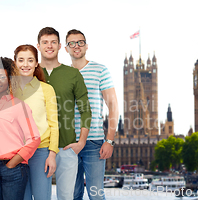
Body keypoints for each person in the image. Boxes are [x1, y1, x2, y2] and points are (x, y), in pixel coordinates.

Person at [36, 27, 92, 200]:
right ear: (38, 46)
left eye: (53, 42)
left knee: (67, 197)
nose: (49, 46)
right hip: (38, 148)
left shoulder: (73, 74)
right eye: (45, 42)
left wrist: (81, 142)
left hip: (67, 146)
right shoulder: (30, 72)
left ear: (60, 46)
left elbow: (85, 110)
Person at [0, 56, 41, 200]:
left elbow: (34, 138)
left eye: (2, 77)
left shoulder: (19, 106)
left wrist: (13, 162)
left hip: (13, 168)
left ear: (10, 79)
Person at [65, 29, 119, 200]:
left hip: (94, 142)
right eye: (71, 43)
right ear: (66, 48)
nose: (76, 46)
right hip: (67, 143)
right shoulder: (61, 73)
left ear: (86, 46)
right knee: (72, 195)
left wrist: (109, 141)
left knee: (96, 195)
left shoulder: (100, 70)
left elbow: (113, 107)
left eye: (80, 42)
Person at [13, 45, 59, 200]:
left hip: (41, 152)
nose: (25, 64)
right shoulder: (9, 90)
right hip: (17, 153)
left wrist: (52, 154)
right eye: (21, 60)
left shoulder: (46, 89)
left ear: (36, 64)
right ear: (15, 63)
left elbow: (54, 124)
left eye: (30, 60)